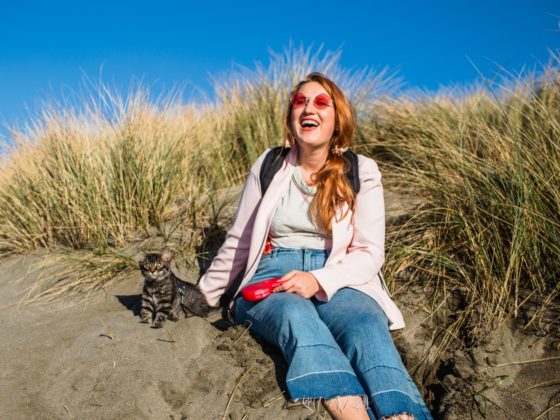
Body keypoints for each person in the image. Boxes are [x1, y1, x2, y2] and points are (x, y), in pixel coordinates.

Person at [199, 72, 432, 420]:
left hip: (340, 274)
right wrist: (203, 295)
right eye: (301, 101)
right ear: (292, 116)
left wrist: (318, 280)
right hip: (274, 270)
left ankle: (402, 414)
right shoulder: (269, 164)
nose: (309, 108)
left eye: (321, 102)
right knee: (295, 316)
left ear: (338, 119)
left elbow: (370, 252)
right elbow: (240, 240)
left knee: (365, 323)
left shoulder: (361, 170)